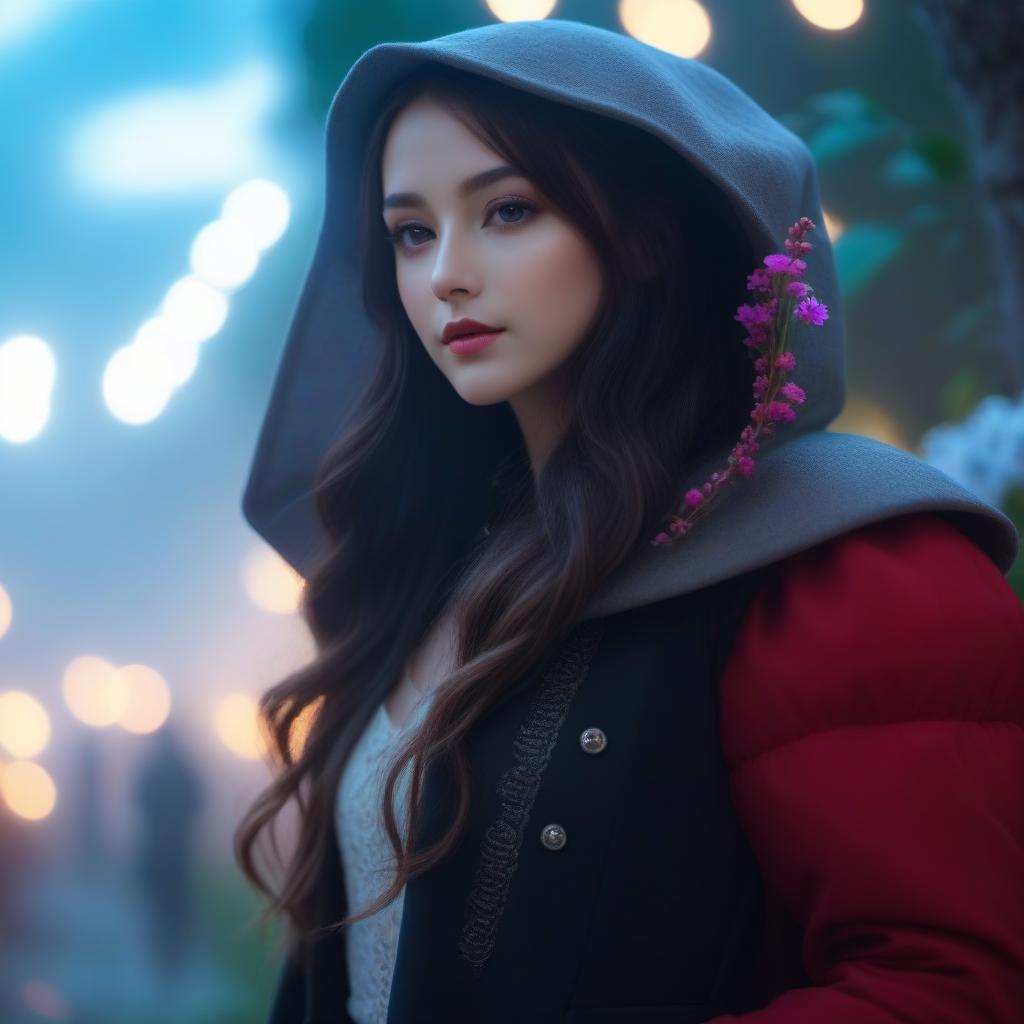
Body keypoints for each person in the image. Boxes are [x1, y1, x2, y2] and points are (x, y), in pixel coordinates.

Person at [234, 19, 1024, 1024]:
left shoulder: (842, 564)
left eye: (509, 210)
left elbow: (950, 987)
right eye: (411, 232)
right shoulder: (436, 565)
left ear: (648, 233)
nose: (447, 277)